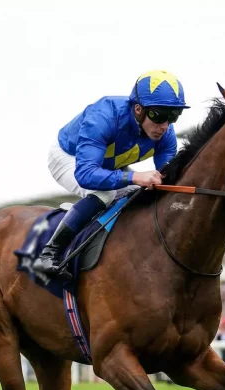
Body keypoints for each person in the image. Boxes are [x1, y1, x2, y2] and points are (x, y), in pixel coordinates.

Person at [32, 70, 189, 276]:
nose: (165, 126)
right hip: (70, 157)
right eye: (159, 115)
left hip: (108, 163)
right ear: (139, 109)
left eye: (173, 116)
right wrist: (134, 176)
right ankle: (49, 253)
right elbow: (86, 174)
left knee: (142, 192)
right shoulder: (103, 117)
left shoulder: (165, 135)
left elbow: (168, 180)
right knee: (104, 194)